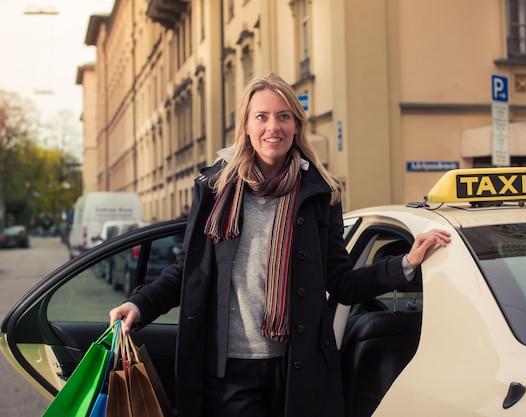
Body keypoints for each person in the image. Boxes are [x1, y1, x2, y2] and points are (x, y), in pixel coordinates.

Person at [109, 72, 451, 417]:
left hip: (296, 371)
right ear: (246, 125)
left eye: (283, 116)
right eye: (262, 116)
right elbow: (189, 271)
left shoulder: (321, 195)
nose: (273, 126)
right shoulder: (215, 190)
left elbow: (342, 282)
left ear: (296, 125)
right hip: (229, 372)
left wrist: (406, 262)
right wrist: (138, 305)